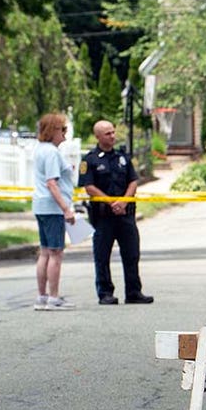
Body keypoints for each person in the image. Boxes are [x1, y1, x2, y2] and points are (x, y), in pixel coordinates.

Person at [80, 120, 153, 305]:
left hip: (125, 214)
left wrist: (124, 200)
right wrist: (111, 201)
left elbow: (133, 181)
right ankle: (105, 293)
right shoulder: (89, 160)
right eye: (107, 134)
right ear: (98, 136)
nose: (112, 136)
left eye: (113, 132)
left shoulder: (123, 157)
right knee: (102, 256)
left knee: (132, 253)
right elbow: (89, 187)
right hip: (103, 216)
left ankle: (134, 292)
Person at [32, 113, 78, 311]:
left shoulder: (40, 150)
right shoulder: (51, 152)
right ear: (52, 131)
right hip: (53, 208)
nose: (64, 134)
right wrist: (66, 209)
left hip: (40, 205)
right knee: (56, 253)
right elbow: (52, 183)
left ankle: (42, 296)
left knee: (44, 252)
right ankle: (54, 297)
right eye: (62, 130)